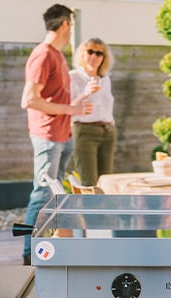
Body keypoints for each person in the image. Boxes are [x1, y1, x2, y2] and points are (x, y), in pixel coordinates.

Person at [20, 4, 92, 265]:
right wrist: (71, 109)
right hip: (47, 136)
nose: (71, 30)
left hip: (62, 135)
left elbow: (55, 98)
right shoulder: (43, 55)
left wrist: (79, 103)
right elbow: (29, 100)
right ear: (65, 24)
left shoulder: (58, 56)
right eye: (71, 25)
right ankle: (28, 254)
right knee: (41, 194)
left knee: (55, 195)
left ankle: (51, 252)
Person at [69, 38, 117, 187]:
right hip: (85, 131)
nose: (94, 57)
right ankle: (87, 204)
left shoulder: (105, 79)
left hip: (107, 131)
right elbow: (65, 107)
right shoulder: (73, 77)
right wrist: (84, 93)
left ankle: (103, 205)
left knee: (106, 181)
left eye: (99, 53)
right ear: (82, 54)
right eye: (90, 51)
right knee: (89, 183)